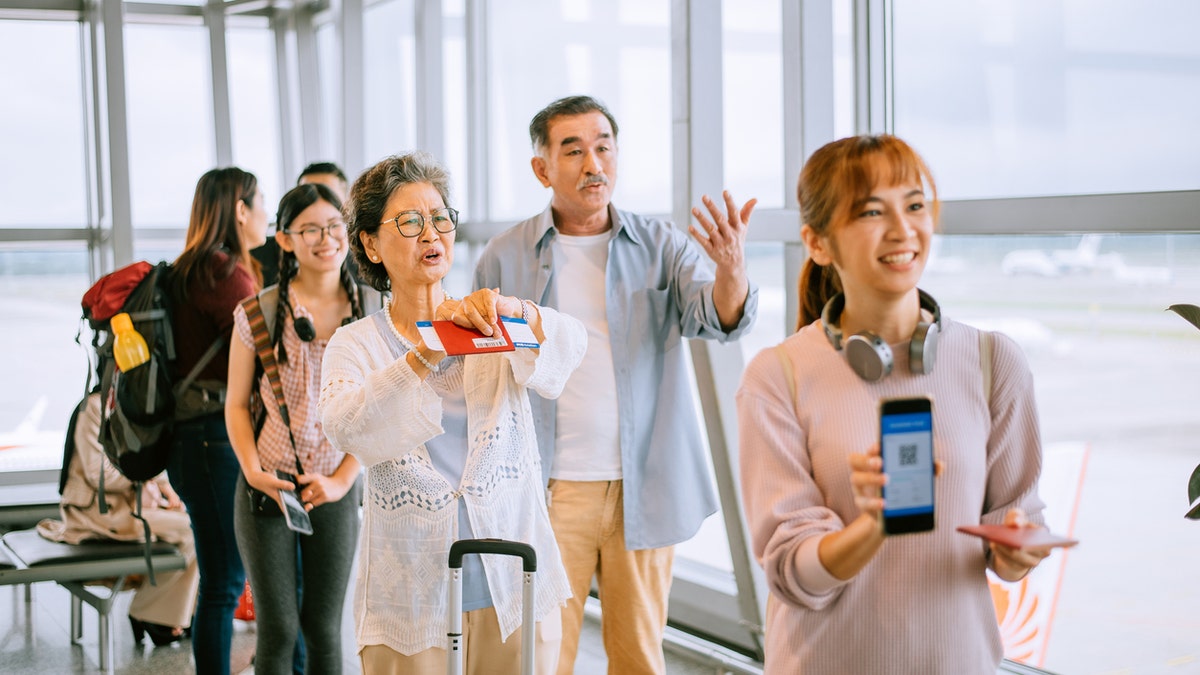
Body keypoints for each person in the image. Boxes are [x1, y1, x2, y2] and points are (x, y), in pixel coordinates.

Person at [736, 134, 1053, 674]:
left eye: (914, 206)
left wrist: (1019, 550)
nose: (903, 229)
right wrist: (872, 526)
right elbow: (792, 574)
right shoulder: (779, 375)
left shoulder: (992, 361)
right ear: (818, 243)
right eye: (870, 212)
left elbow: (1014, 525)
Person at [473, 94, 758, 674]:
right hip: (549, 490)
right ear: (542, 168)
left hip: (644, 486)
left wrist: (732, 272)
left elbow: (718, 318)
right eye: (573, 149)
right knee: (543, 655)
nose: (592, 163)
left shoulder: (662, 246)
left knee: (638, 657)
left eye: (603, 146)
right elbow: (482, 378)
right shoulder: (503, 257)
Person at [319, 151, 586, 674]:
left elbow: (569, 349)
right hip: (411, 592)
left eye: (439, 219)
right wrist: (423, 356)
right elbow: (345, 425)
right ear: (370, 243)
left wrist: (519, 312)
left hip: (512, 580)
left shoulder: (487, 320)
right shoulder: (355, 344)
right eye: (410, 222)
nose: (430, 234)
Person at [226, 183, 364, 674]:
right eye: (310, 230)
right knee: (279, 628)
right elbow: (237, 406)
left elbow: (382, 413)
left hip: (336, 484)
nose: (326, 239)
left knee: (325, 629)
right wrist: (253, 470)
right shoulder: (259, 312)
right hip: (268, 486)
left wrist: (342, 479)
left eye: (334, 226)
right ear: (285, 240)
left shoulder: (370, 310)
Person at [168, 166, 269, 675]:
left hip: (188, 442)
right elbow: (264, 358)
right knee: (225, 582)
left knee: (218, 577)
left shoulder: (185, 269)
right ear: (240, 210)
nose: (267, 215)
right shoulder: (227, 275)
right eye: (261, 202)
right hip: (214, 440)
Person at [38, 392, 199, 646]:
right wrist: (144, 482)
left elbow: (143, 458)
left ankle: (169, 611)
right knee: (192, 530)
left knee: (195, 524)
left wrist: (163, 487)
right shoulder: (94, 407)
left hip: (123, 507)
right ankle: (153, 613)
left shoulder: (130, 403)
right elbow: (98, 474)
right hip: (96, 514)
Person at [254, 162, 351, 287]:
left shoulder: (366, 265)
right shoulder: (263, 261)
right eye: (308, 194)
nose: (318, 201)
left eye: (328, 195)